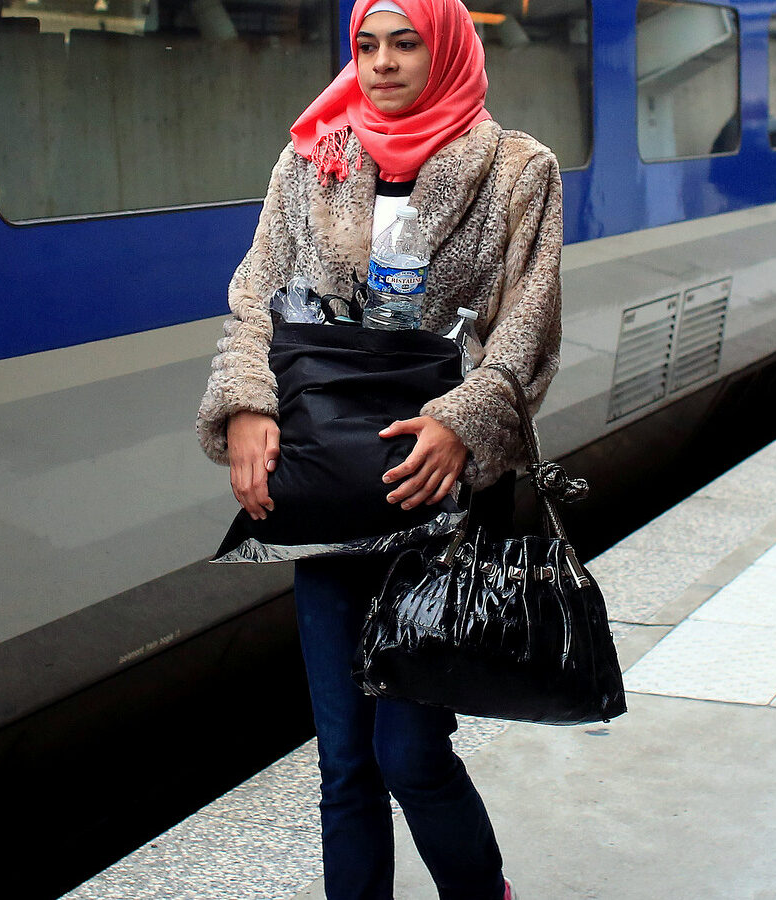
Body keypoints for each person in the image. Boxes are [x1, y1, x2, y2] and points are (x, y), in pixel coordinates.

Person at [195, 0, 564, 897]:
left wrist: (464, 421)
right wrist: (245, 403)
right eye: (367, 44)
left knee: (409, 751)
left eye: (407, 43)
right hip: (327, 490)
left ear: (445, 50)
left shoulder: (518, 170)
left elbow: (529, 326)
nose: (384, 62)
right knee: (343, 760)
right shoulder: (313, 157)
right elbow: (257, 298)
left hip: (436, 500)